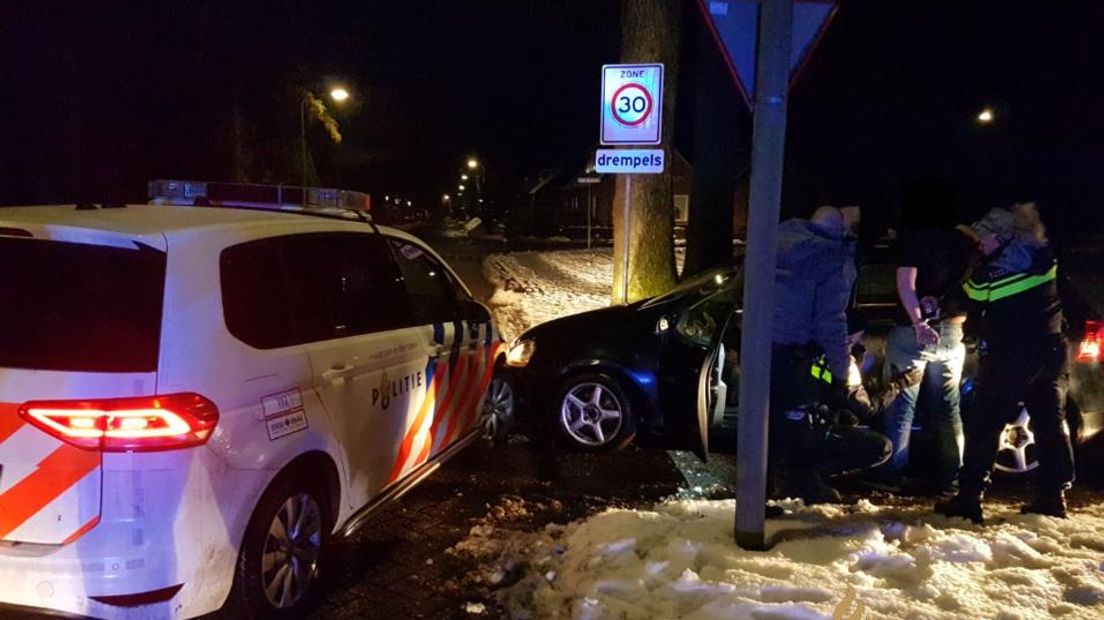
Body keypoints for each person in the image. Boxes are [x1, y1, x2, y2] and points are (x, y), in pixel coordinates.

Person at [936, 203, 1073, 523]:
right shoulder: (1043, 258)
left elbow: (970, 293)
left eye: (984, 237)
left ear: (1004, 238)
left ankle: (969, 499)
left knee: (985, 425)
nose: (979, 242)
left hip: (1010, 355)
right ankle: (1053, 496)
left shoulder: (995, 272)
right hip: (1050, 352)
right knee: (1051, 423)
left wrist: (975, 260)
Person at [872, 182, 980, 493]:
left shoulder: (914, 240)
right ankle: (954, 476)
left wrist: (918, 322)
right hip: (953, 333)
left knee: (901, 404)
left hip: (913, 333)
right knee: (948, 406)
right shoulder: (964, 241)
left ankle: (891, 472)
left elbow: (907, 284)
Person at [769, 206, 871, 503]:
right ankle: (798, 485)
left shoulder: (775, 244)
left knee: (771, 423)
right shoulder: (832, 259)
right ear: (841, 232)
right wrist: (843, 372)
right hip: (798, 355)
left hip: (763, 348)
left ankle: (763, 491)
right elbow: (830, 321)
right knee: (799, 423)